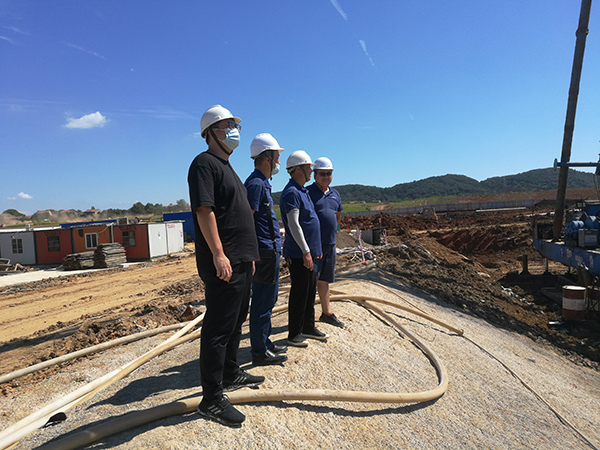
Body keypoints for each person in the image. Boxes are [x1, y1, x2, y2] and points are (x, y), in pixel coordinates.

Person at [187, 104, 263, 428]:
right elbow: (205, 211)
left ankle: (230, 372)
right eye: (228, 125)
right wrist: (219, 254)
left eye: (236, 126)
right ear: (211, 132)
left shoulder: (228, 167)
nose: (235, 131)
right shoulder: (204, 164)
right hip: (225, 262)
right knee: (218, 328)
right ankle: (212, 399)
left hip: (241, 260)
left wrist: (249, 257)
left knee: (236, 321)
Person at [245, 133, 288, 366]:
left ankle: (265, 342)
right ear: (267, 158)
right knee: (262, 302)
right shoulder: (255, 184)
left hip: (270, 250)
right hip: (263, 252)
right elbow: (247, 220)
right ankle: (259, 351)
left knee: (269, 300)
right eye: (277, 157)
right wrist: (252, 253)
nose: (279, 162)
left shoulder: (262, 183)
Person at [279, 150, 329, 347]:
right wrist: (306, 251)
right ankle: (294, 333)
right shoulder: (291, 192)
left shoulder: (302, 191)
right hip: (300, 254)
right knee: (300, 293)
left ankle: (308, 326)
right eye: (309, 168)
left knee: (309, 292)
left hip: (311, 253)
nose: (311, 172)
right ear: (298, 169)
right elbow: (294, 224)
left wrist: (315, 249)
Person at [307, 157, 345, 328]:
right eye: (322, 173)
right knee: (310, 281)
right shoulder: (307, 193)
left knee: (324, 280)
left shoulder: (335, 194)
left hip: (330, 244)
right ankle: (306, 318)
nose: (326, 177)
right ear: (315, 174)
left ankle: (326, 313)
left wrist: (332, 231)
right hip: (314, 246)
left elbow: (338, 216)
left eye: (329, 173)